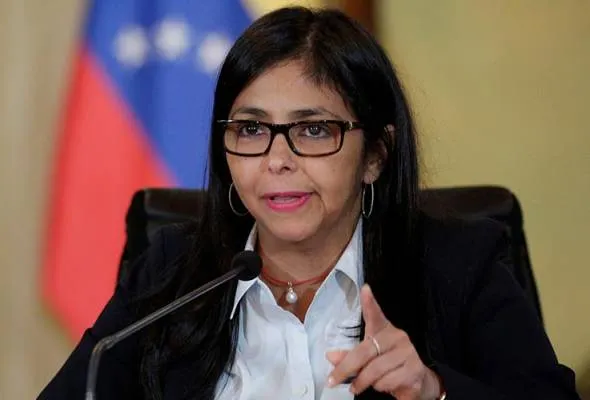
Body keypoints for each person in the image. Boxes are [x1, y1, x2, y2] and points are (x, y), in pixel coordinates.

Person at [38, 6, 580, 400]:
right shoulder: (173, 271)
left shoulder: (458, 266)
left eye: (313, 130)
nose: (277, 160)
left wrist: (433, 390)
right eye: (251, 129)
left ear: (375, 155)